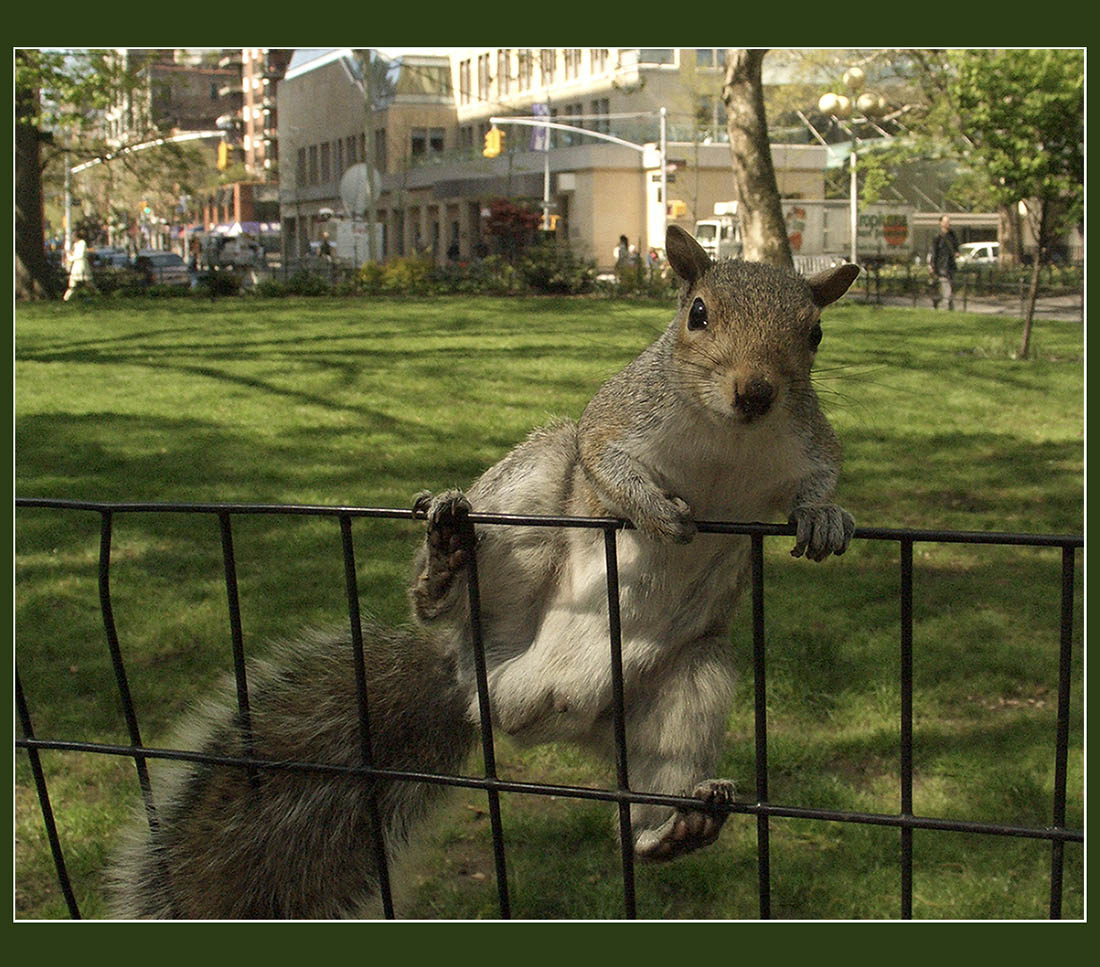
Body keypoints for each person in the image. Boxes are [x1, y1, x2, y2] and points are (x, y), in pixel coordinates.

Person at [928, 214, 960, 310]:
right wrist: (932, 265)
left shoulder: (952, 235)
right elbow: (934, 252)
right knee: (944, 283)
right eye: (945, 222)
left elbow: (956, 247)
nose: (947, 224)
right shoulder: (937, 236)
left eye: (948, 222)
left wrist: (957, 253)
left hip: (951, 264)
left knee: (950, 283)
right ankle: (948, 303)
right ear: (940, 223)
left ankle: (941, 300)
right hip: (941, 265)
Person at [62, 230, 97, 301]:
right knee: (73, 283)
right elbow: (74, 254)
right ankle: (66, 298)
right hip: (76, 266)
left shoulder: (82, 243)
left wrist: (71, 258)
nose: (72, 238)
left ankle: (95, 296)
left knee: (88, 282)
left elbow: (80, 255)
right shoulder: (75, 244)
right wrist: (69, 254)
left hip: (82, 265)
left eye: (73, 236)